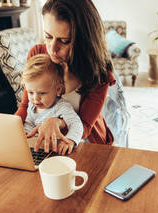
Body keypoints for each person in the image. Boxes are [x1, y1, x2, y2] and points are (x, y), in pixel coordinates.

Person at [15, 0, 115, 153]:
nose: (53, 49)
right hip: (45, 143)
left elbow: (86, 126)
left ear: (84, 40)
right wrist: (10, 128)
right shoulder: (37, 55)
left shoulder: (99, 72)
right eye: (48, 37)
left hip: (84, 141)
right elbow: (26, 106)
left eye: (65, 41)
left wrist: (58, 123)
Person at [22, 54, 83, 155]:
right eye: (30, 92)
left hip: (62, 150)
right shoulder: (32, 106)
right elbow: (29, 125)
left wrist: (70, 140)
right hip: (43, 149)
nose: (35, 98)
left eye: (42, 93)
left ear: (58, 89)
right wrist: (25, 135)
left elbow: (76, 124)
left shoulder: (61, 106)